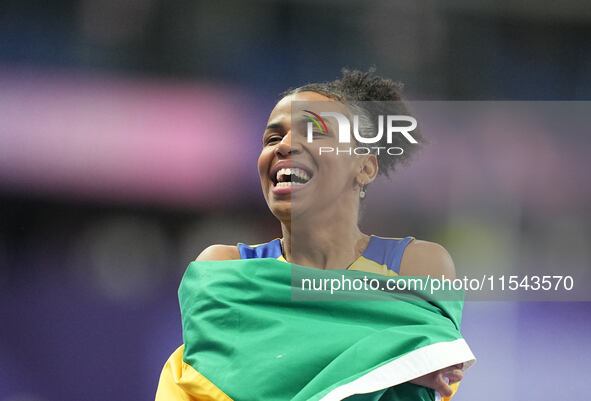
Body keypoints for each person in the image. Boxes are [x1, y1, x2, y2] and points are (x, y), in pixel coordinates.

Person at [156, 69, 467, 400]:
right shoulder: (223, 267)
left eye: (314, 133)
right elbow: (221, 381)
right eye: (272, 139)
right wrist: (387, 352)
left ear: (365, 166)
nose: (285, 146)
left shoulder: (417, 265)